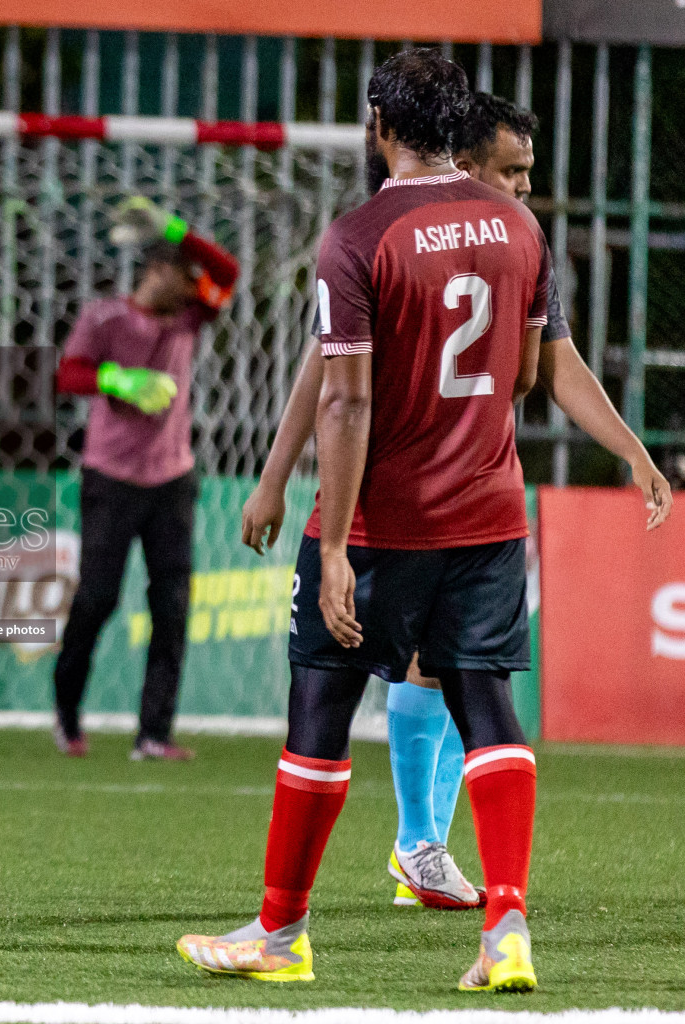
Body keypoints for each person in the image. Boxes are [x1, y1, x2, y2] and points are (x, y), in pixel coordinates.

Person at [239, 91, 673, 912]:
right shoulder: (473, 235)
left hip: (423, 505)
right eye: (512, 172)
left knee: (395, 686)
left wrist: (629, 448)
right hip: (438, 506)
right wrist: (277, 477)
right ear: (465, 162)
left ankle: (312, 905)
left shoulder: (387, 235)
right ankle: (442, 863)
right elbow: (342, 380)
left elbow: (532, 368)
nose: (524, 189)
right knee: (445, 686)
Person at [178, 48, 555, 991]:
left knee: (320, 710)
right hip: (491, 514)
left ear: (380, 125)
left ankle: (280, 933)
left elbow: (346, 405)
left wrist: (336, 542)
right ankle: (506, 926)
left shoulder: (358, 236)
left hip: (388, 523)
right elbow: (521, 380)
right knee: (490, 708)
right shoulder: (519, 227)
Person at [51, 200, 238, 761]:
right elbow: (69, 372)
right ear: (156, 271)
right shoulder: (105, 317)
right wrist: (117, 377)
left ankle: (153, 734)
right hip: (110, 478)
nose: (194, 288)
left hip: (173, 480)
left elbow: (228, 273)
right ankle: (66, 714)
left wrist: (175, 226)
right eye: (184, 276)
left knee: (172, 606)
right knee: (98, 599)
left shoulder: (192, 316)